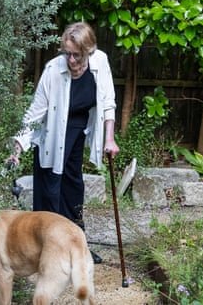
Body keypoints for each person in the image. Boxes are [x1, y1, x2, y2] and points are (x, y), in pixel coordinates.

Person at [8, 21, 119, 264]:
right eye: (67, 53)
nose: (71, 60)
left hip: (77, 133)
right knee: (50, 194)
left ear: (88, 51)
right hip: (51, 138)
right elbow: (34, 115)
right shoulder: (52, 70)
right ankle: (47, 251)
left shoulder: (100, 62)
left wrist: (109, 139)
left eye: (76, 55)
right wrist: (17, 148)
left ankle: (78, 248)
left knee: (73, 190)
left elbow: (108, 102)